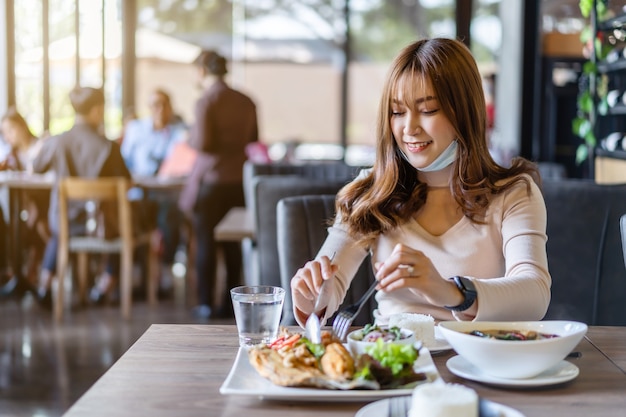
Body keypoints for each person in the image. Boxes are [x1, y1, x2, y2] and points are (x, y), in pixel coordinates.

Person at [290, 38, 551, 328]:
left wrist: (452, 292)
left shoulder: (513, 193)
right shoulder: (372, 190)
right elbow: (328, 292)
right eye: (397, 111)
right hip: (391, 361)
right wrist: (310, 294)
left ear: (465, 113)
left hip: (480, 361)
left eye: (428, 110)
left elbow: (535, 292)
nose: (409, 128)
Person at [33, 86, 132, 306]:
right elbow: (126, 183)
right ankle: (103, 286)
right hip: (98, 226)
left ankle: (44, 285)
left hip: (64, 223)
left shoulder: (57, 141)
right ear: (97, 110)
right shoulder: (108, 147)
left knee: (60, 230)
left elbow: (36, 167)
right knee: (124, 225)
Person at [179, 50, 258, 319]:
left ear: (202, 71)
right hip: (238, 180)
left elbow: (203, 143)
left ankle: (204, 302)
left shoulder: (206, 102)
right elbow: (254, 138)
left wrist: (189, 137)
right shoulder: (247, 101)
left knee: (206, 243)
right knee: (233, 244)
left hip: (211, 181)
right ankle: (229, 303)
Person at [121, 89, 187, 295]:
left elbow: (184, 164)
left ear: (170, 107)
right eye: (155, 105)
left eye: (164, 104)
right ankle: (141, 274)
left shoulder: (180, 133)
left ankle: (165, 270)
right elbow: (124, 162)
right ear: (149, 108)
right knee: (134, 218)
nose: (159, 109)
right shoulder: (136, 130)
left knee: (169, 215)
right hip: (139, 193)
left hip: (167, 194)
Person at [0, 107, 49, 287]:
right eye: (4, 133)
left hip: (46, 203)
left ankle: (32, 271)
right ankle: (27, 272)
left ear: (22, 126)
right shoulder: (10, 156)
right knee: (21, 222)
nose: (8, 137)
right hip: (25, 208)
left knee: (37, 220)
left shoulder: (41, 146)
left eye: (10, 130)